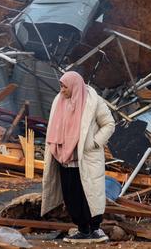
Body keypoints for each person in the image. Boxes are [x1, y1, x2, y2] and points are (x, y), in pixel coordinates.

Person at [41, 71, 116, 244]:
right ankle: (83, 229)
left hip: (86, 159)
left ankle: (94, 229)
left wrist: (94, 142)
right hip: (64, 159)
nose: (61, 90)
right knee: (71, 195)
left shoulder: (93, 101)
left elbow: (109, 124)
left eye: (64, 86)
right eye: (61, 86)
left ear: (74, 86)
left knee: (89, 195)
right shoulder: (58, 101)